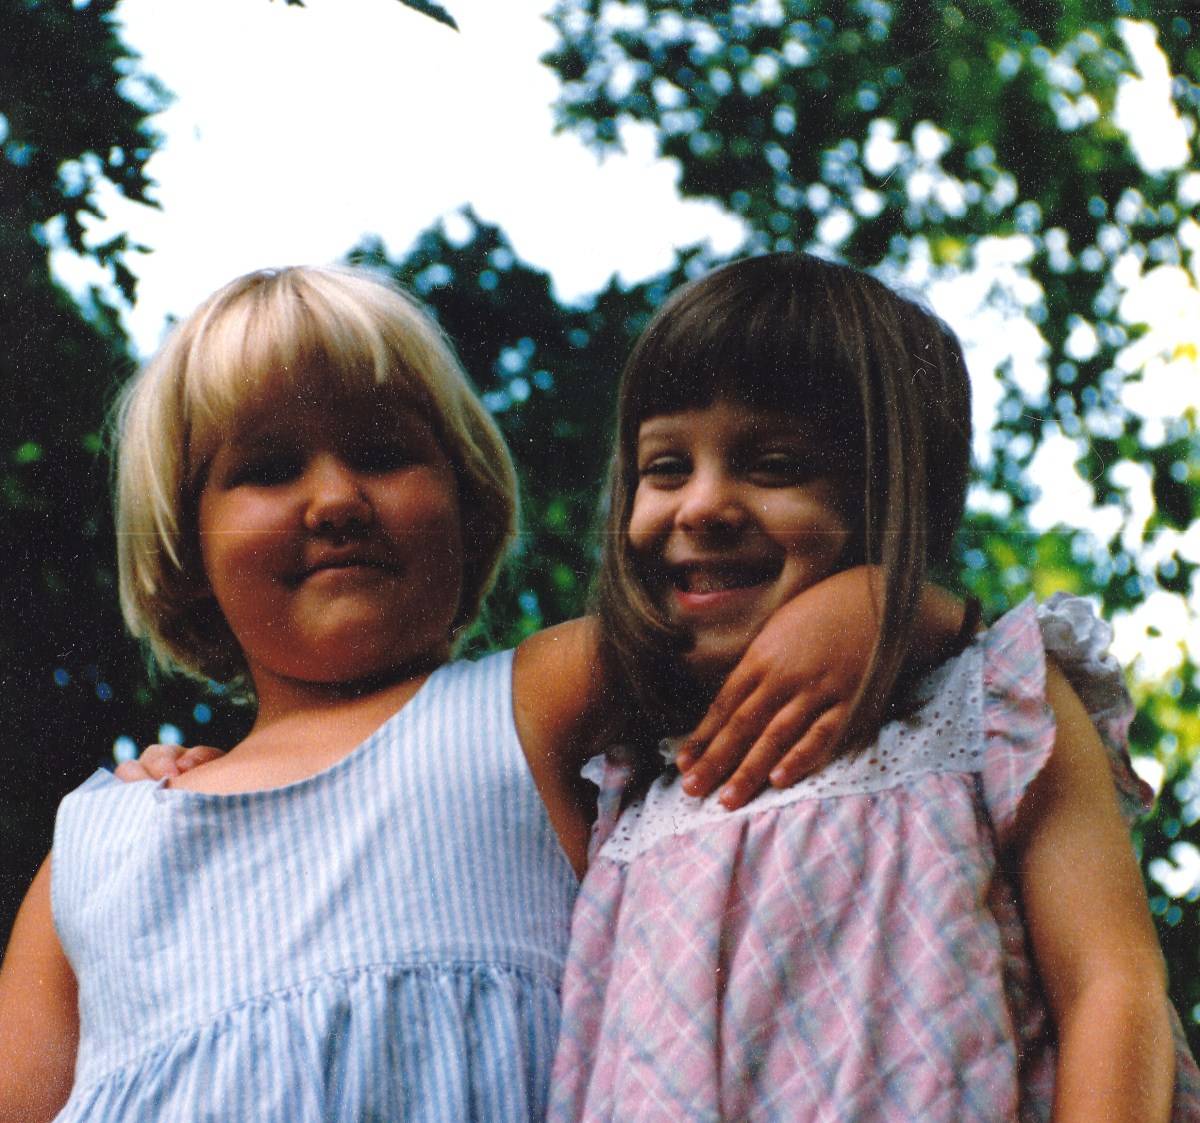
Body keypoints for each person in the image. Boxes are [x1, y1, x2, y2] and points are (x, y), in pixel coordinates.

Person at [0, 264, 968, 1122]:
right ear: (185, 543)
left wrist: (887, 602)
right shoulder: (94, 845)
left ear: (467, 501)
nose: (335, 500)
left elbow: (740, 616)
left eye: (383, 453)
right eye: (267, 470)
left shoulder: (533, 698)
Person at [548, 253, 1200, 1122]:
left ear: (887, 489)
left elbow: (1111, 984)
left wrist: (898, 605)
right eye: (665, 467)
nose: (701, 504)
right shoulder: (629, 782)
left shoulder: (989, 705)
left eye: (774, 465)